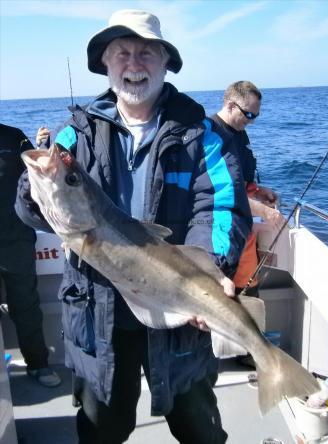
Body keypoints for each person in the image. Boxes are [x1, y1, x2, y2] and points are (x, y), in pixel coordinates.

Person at [15, 10, 252, 444]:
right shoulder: (73, 137)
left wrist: (211, 269)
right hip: (98, 315)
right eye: (121, 53)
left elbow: (221, 208)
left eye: (146, 52)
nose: (134, 63)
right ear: (106, 65)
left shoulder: (203, 136)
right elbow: (30, 210)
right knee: (101, 431)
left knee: (199, 428)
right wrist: (37, 186)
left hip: (181, 312)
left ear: (166, 63)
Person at [0, 123, 61, 387]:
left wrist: (44, 149)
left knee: (25, 306)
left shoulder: (13, 137)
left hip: (15, 241)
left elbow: (39, 174)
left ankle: (38, 363)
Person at [211, 81, 285, 296]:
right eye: (248, 115)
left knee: (248, 289)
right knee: (229, 292)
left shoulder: (239, 131)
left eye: (256, 116)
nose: (251, 121)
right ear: (230, 105)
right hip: (222, 231)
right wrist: (263, 211)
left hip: (245, 225)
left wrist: (258, 188)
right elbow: (220, 191)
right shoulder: (210, 135)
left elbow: (238, 180)